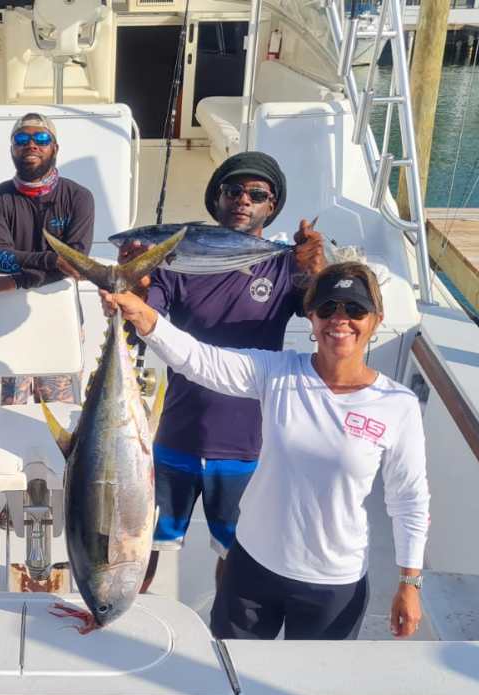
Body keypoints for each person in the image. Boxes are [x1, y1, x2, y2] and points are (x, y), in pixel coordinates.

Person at [101, 262, 429, 641]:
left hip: (333, 583)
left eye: (354, 309)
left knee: (308, 688)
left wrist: (409, 582)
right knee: (230, 680)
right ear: (311, 317)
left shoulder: (396, 404)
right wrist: (145, 317)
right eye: (327, 309)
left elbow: (409, 498)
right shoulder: (278, 372)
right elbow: (200, 360)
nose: (340, 320)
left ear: (376, 319)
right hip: (251, 568)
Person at [118, 152, 326, 592]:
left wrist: (314, 272)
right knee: (141, 547)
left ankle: (225, 636)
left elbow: (323, 319)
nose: (243, 201)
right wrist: (134, 281)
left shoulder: (284, 264)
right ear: (218, 198)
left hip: (245, 444)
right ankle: (125, 620)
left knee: (232, 557)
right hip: (176, 435)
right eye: (233, 191)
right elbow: (142, 324)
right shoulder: (181, 257)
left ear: (272, 206)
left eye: (256, 194)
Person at [0, 113, 95, 404]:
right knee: (12, 416)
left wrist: (15, 282)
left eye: (41, 139)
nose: (32, 145)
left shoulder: (79, 197)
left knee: (61, 420)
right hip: (11, 321)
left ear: (55, 148)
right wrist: (53, 261)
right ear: (12, 149)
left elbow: (76, 264)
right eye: (21, 139)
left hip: (61, 320)